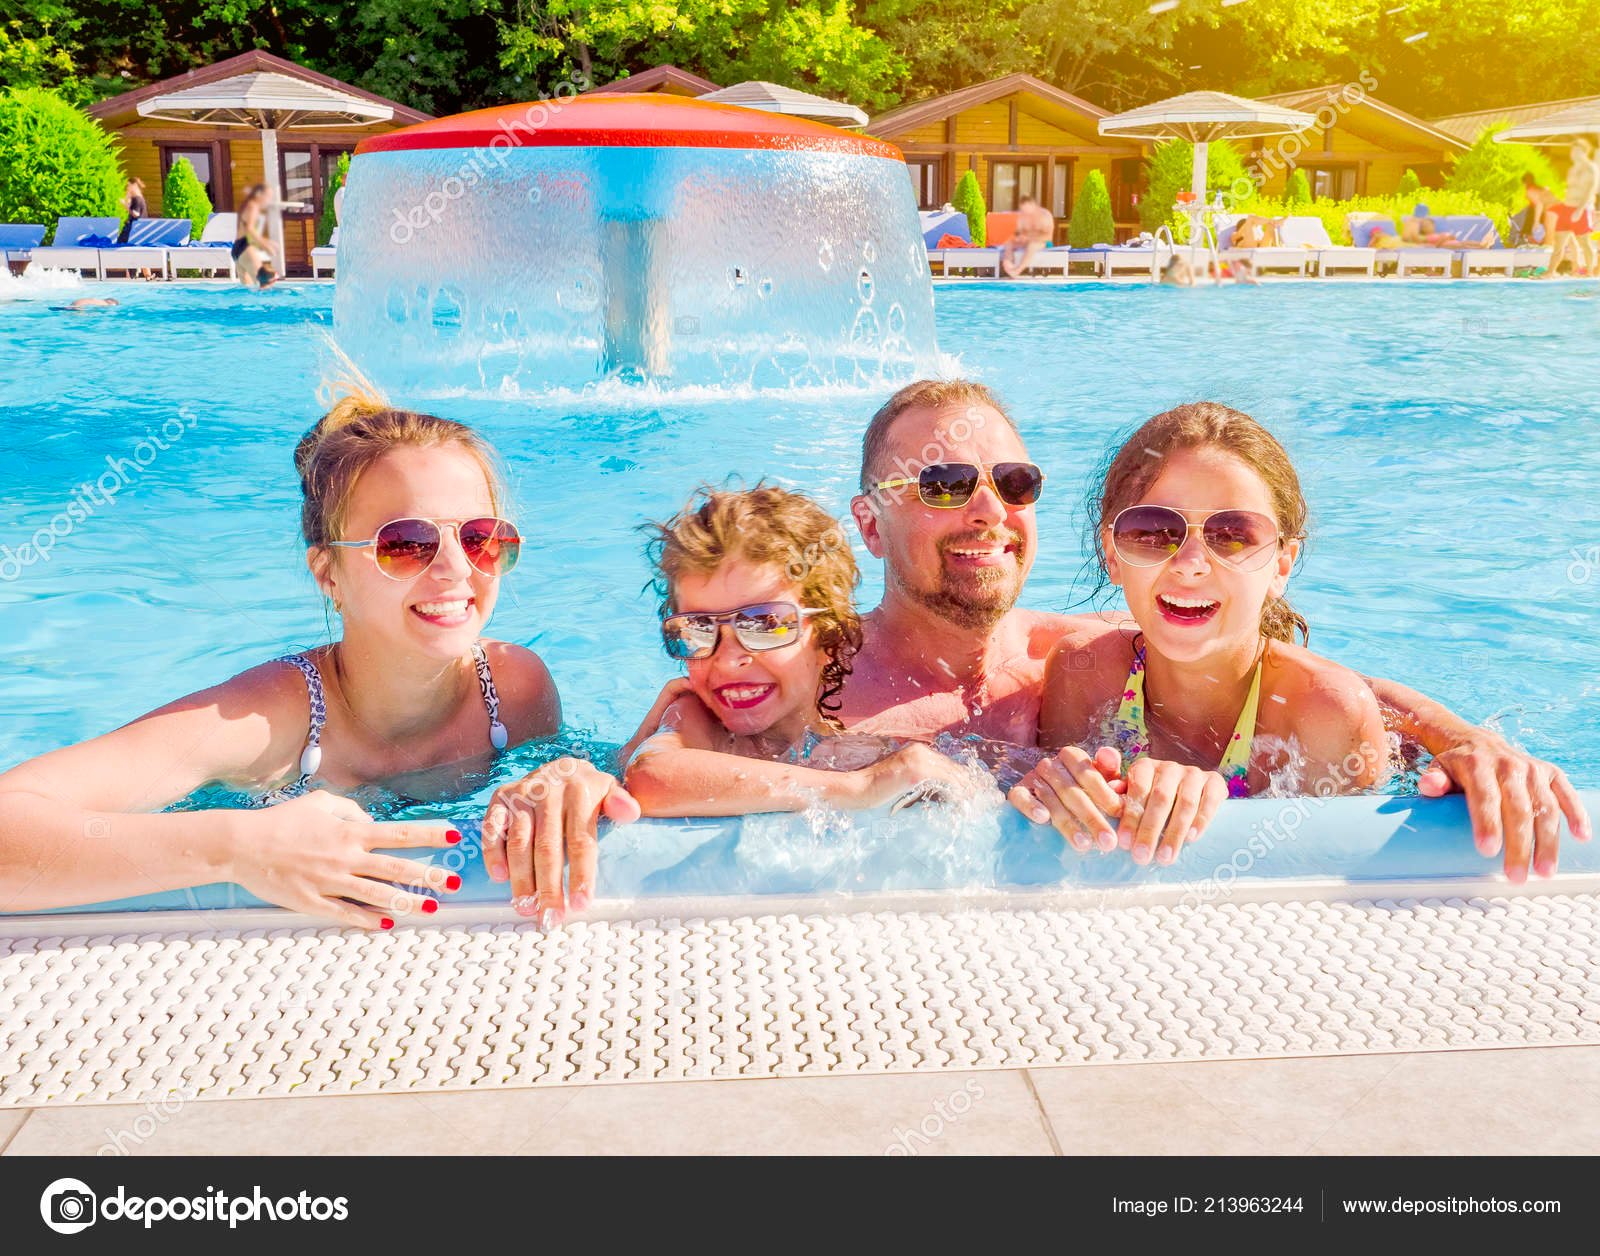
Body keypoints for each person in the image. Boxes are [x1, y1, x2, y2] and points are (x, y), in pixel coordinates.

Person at [501, 380, 1591, 912]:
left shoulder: (1079, 654)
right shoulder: (800, 666)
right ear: (869, 521)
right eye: (942, 483)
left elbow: (1294, 673)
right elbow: (668, 738)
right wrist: (566, 776)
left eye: (1011, 482)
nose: (986, 508)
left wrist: (1468, 741)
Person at [0, 385, 589, 926]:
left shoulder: (514, 689)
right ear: (328, 573)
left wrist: (562, 779)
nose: (457, 569)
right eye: (406, 544)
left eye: (481, 537)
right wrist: (241, 848)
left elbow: (568, 778)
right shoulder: (266, 722)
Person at [1009, 402, 1388, 864]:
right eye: (1152, 530)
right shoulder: (1083, 675)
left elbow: (1342, 884)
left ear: (1281, 565)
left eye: (1233, 534)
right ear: (1111, 554)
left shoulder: (1325, 717)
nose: (1190, 565)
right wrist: (1056, 790)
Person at [621, 485, 975, 816]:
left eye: (762, 624)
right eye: (697, 629)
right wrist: (859, 787)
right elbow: (652, 777)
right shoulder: (700, 721)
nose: (728, 660)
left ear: (827, 638)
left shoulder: (863, 754)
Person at [1545, 139, 1597, 277]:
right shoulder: (1572, 169)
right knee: (1558, 243)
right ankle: (1550, 272)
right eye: (1572, 151)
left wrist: (1579, 210)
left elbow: (1590, 191)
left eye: (1576, 151)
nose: (1573, 154)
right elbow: (1570, 190)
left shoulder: (1590, 168)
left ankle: (1590, 273)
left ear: (1583, 151)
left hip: (1582, 209)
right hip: (1567, 209)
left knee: (1584, 242)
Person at [233, 184, 280, 290]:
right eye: (267, 196)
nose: (269, 200)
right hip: (245, 248)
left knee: (248, 289)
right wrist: (266, 245)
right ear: (259, 194)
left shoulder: (247, 205)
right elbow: (250, 229)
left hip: (237, 248)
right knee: (264, 285)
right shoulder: (252, 206)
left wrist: (267, 242)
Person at [1000, 196, 1056, 278]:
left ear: (1033, 205)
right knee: (1009, 242)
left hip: (1043, 241)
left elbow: (1047, 236)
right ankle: (1008, 263)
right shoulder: (1023, 216)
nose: (1025, 212)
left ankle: (1017, 270)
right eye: (1023, 210)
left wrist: (1031, 238)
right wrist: (1020, 237)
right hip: (1027, 241)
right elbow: (1019, 232)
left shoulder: (1044, 215)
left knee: (1032, 245)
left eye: (1027, 210)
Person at [117, 178, 147, 244]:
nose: (127, 187)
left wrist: (125, 205)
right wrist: (128, 195)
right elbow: (128, 202)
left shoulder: (137, 199)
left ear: (134, 185)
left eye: (129, 185)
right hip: (134, 227)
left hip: (134, 227)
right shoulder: (136, 198)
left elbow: (136, 214)